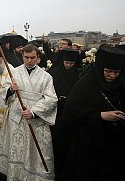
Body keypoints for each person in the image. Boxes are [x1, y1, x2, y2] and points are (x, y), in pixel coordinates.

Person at [62, 45, 125, 181]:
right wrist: (101, 115)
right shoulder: (85, 85)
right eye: (108, 71)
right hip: (91, 148)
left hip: (118, 147)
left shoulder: (122, 84)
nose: (112, 76)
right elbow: (70, 113)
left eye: (117, 72)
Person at [0, 44, 57, 180]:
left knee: (35, 150)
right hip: (16, 119)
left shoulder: (46, 77)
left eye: (32, 57)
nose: (29, 60)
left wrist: (34, 112)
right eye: (26, 57)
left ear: (38, 58)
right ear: (22, 56)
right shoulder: (14, 73)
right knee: (17, 148)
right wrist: (10, 89)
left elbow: (51, 99)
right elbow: (3, 90)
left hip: (35, 120)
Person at [48, 48, 79, 180]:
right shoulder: (54, 72)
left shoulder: (78, 74)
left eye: (71, 64)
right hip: (55, 112)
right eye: (66, 63)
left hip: (70, 113)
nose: (68, 66)